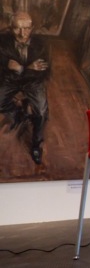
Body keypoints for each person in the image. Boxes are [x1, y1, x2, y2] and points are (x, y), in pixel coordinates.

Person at [0, 10, 50, 164]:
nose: (23, 34)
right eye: (17, 28)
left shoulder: (42, 45)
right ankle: (19, 112)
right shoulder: (2, 41)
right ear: (11, 28)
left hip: (33, 81)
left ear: (32, 28)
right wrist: (6, 65)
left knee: (41, 111)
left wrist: (23, 69)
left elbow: (43, 73)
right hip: (10, 79)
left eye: (27, 28)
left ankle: (36, 145)